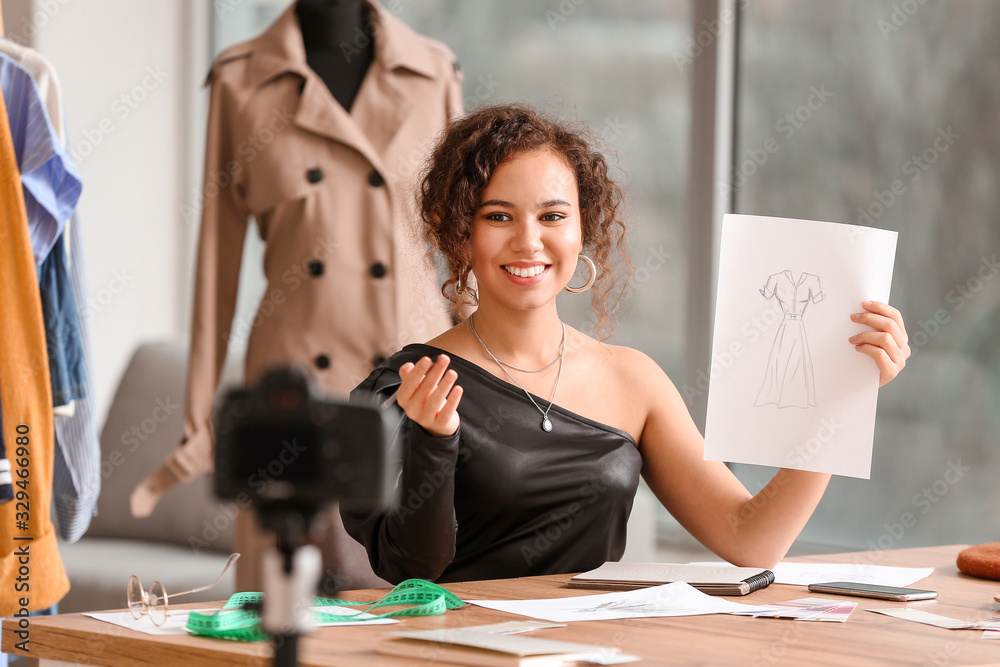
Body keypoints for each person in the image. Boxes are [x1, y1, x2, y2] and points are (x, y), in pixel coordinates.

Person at [342, 104, 910, 584]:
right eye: (498, 216)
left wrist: (843, 399)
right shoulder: (406, 387)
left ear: (582, 227)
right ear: (459, 232)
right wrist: (434, 441)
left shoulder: (633, 379)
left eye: (553, 215)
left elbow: (750, 538)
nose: (529, 241)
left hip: (594, 651)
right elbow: (411, 572)